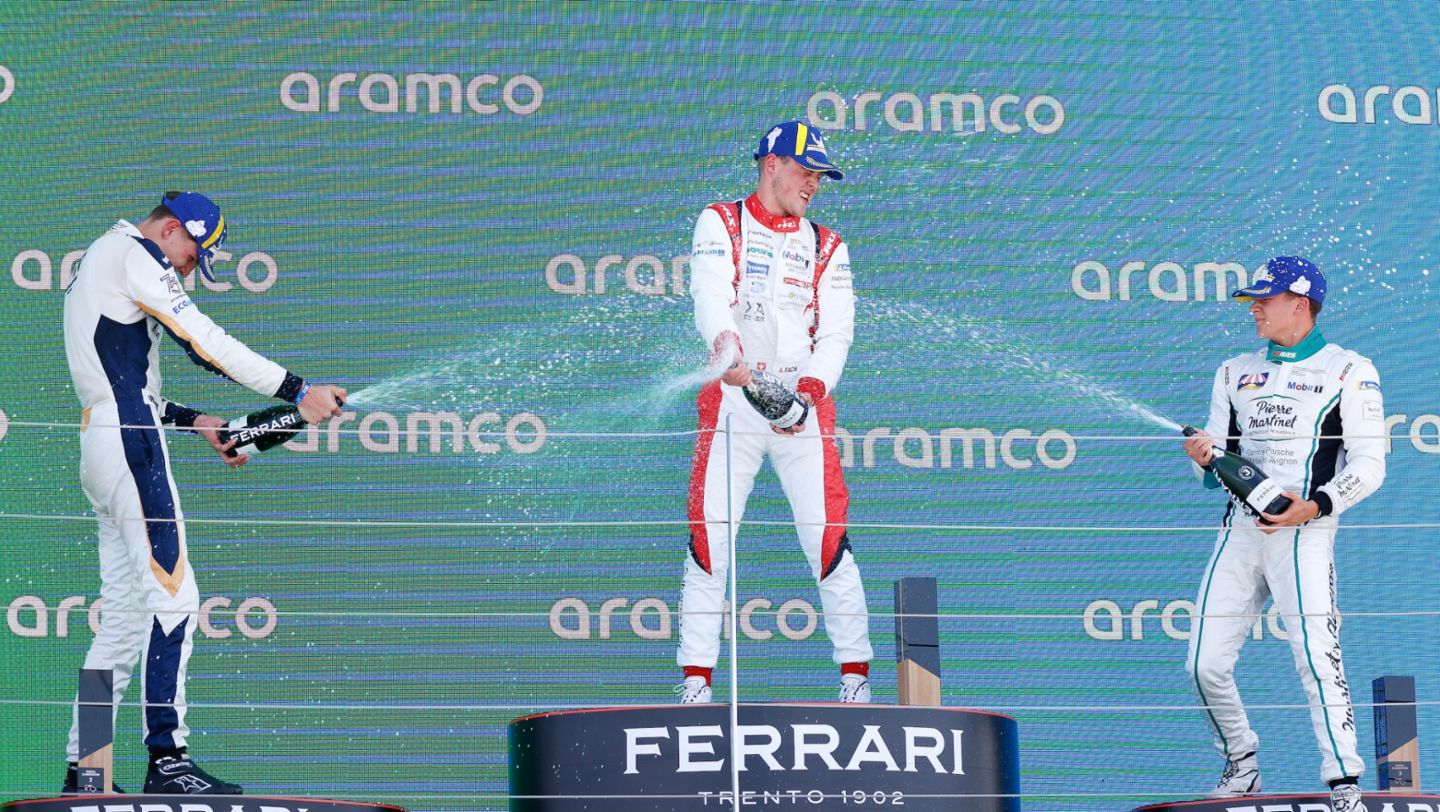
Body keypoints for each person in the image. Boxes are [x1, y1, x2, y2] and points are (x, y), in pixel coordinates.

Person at [60, 192, 346, 795]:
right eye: (193, 256)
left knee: (121, 623)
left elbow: (127, 387)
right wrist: (298, 391)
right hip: (129, 441)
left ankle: (88, 773)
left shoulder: (100, 259)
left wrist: (200, 423)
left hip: (105, 438)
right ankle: (168, 760)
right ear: (169, 230)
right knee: (175, 596)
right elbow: (200, 338)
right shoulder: (132, 254)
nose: (189, 271)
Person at [678, 121, 872, 705]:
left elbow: (836, 334)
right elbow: (710, 295)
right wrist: (728, 352)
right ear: (772, 165)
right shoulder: (721, 221)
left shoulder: (829, 244)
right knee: (709, 537)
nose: (814, 184)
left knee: (828, 537)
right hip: (733, 403)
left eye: (820, 176)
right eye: (806, 171)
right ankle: (695, 684)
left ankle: (856, 679)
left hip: (803, 411)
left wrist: (805, 397)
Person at [1182, 256, 1383, 812]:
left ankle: (1344, 784)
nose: (1254, 310)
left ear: (1301, 304)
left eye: (1264, 301)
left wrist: (1314, 507)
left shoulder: (1349, 369)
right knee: (1203, 663)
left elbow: (1370, 465)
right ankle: (1242, 761)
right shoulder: (1231, 371)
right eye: (1253, 301)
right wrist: (1203, 457)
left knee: (1317, 656)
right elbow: (1214, 469)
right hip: (1241, 531)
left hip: (1305, 533)